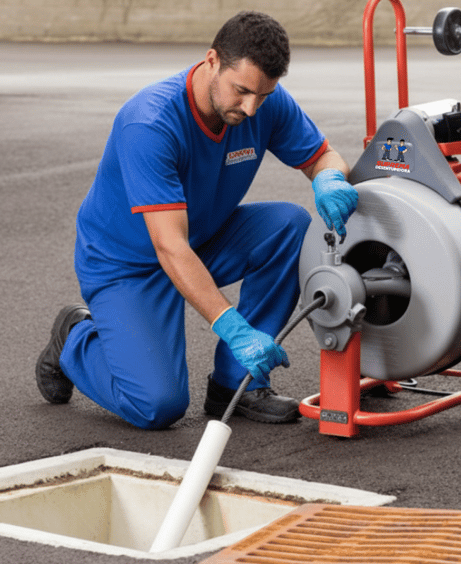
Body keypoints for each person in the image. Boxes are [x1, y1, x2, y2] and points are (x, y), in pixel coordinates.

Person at [35, 11, 358, 430]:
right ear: (211, 61)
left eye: (262, 95)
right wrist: (237, 331)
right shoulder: (149, 124)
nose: (251, 107)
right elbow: (170, 247)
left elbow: (321, 156)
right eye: (241, 91)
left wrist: (330, 179)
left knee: (291, 227)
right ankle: (75, 336)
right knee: (156, 405)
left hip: (203, 237)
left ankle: (235, 384)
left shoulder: (263, 102)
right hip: (128, 264)